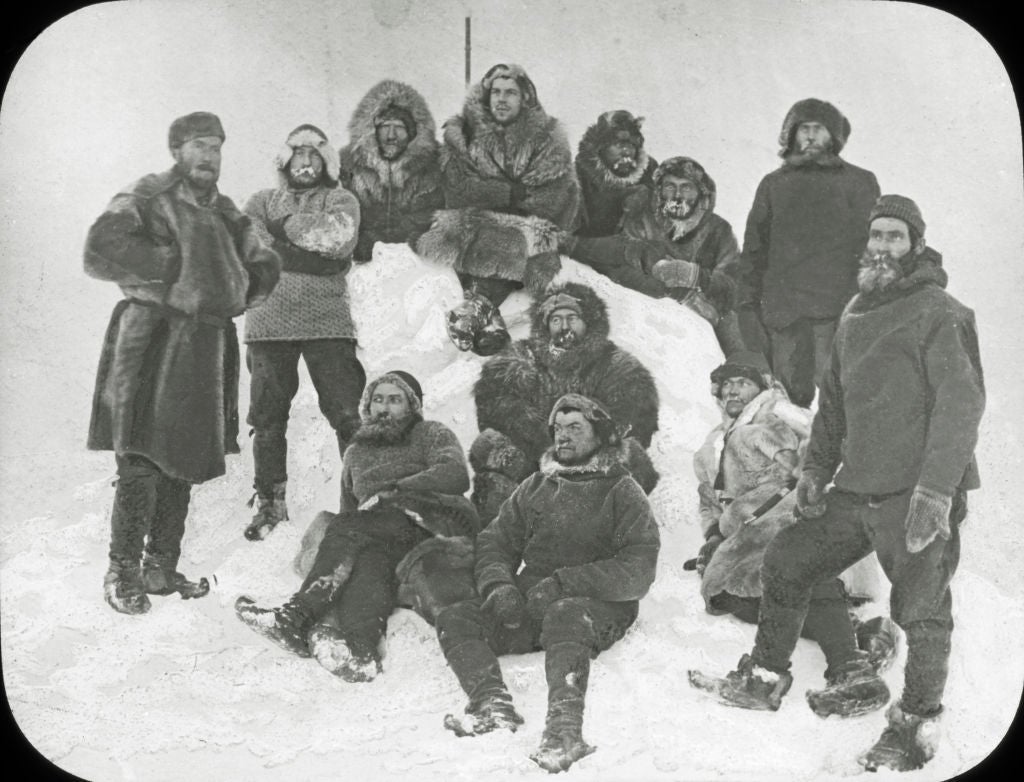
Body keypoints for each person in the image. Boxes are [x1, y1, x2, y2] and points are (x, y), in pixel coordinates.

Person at [689, 196, 985, 773]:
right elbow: (833, 408)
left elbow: (961, 405)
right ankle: (765, 677)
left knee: (921, 610)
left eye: (895, 236)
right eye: (876, 235)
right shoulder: (855, 313)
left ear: (917, 245)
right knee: (788, 560)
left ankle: (915, 725)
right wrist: (817, 472)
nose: (883, 246)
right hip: (858, 488)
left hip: (915, 494)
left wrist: (936, 492)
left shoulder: (941, 311)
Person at [85, 111, 280, 614]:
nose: (209, 155)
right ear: (177, 150)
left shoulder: (228, 213)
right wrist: (172, 268)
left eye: (216, 146)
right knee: (142, 456)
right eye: (199, 145)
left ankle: (160, 567)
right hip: (152, 338)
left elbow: (264, 263)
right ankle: (122, 572)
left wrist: (235, 288)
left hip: (205, 345)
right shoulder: (149, 195)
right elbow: (101, 247)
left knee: (185, 457)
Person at [434, 394, 660, 773]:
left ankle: (564, 732)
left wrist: (563, 583)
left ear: (600, 435)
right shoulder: (537, 484)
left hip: (598, 605)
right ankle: (493, 705)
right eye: (558, 428)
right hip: (536, 598)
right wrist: (499, 586)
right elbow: (495, 541)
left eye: (575, 428)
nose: (563, 436)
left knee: (565, 614)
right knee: (456, 617)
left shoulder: (622, 490)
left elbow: (638, 567)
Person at [235, 371, 479, 682]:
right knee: (366, 561)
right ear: (368, 406)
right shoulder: (356, 452)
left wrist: (396, 490)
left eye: (395, 400)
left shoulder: (431, 433)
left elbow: (455, 474)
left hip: (430, 522)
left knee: (353, 528)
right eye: (378, 400)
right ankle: (362, 652)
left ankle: (296, 616)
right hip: (382, 534)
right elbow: (349, 514)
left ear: (412, 405)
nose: (384, 408)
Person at [690, 351, 897, 713]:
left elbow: (822, 444)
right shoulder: (712, 444)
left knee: (799, 566)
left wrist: (794, 467)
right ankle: (859, 634)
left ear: (761, 387)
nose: (733, 390)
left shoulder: (780, 411)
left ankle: (849, 668)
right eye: (726, 384)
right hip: (744, 534)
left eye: (743, 382)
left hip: (788, 511)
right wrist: (713, 537)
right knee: (731, 596)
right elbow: (708, 496)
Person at [242, 124, 364, 540]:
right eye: (299, 154)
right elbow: (251, 249)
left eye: (314, 155)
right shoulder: (260, 201)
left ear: (326, 162)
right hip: (267, 324)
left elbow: (338, 240)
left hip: (328, 323)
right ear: (285, 160)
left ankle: (360, 500)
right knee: (268, 418)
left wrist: (283, 228)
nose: (306, 163)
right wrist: (318, 261)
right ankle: (270, 504)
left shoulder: (341, 199)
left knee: (347, 414)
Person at [470, 282, 659, 523]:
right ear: (545, 325)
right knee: (490, 447)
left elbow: (636, 422)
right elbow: (493, 407)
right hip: (533, 465)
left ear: (588, 322)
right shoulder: (520, 359)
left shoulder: (616, 366)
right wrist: (542, 443)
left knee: (631, 459)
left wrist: (582, 446)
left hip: (590, 467)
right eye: (556, 320)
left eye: (572, 318)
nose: (564, 327)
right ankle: (502, 532)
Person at [424, 63, 581, 354]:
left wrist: (502, 201)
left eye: (510, 93)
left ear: (525, 99)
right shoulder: (465, 135)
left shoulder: (548, 140)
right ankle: (487, 317)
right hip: (472, 223)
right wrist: (507, 192)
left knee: (522, 240)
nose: (501, 99)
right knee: (481, 233)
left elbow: (556, 197)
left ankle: (480, 306)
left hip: (529, 228)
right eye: (496, 92)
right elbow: (458, 189)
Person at [738, 98, 880, 405]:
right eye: (804, 128)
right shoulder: (773, 185)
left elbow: (870, 245)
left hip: (837, 312)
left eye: (819, 128)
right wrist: (747, 304)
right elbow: (754, 251)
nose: (811, 136)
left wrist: (866, 302)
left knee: (840, 400)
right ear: (791, 134)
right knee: (787, 405)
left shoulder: (859, 183)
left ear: (834, 135)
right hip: (785, 315)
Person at [564, 156, 743, 354]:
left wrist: (696, 276)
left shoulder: (719, 230)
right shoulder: (643, 219)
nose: (677, 195)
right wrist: (674, 291)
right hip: (652, 308)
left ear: (701, 192)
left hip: (710, 312)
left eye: (686, 187)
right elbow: (619, 266)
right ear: (659, 190)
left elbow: (735, 283)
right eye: (670, 186)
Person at [339, 80, 445, 262]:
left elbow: (432, 215)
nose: (391, 136)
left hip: (416, 259)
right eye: (385, 127)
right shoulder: (349, 163)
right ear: (372, 130)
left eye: (399, 128)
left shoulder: (434, 164)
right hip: (364, 259)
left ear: (413, 132)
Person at [573, 109, 657, 237]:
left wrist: (648, 196)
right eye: (618, 144)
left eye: (631, 145)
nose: (626, 151)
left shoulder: (650, 169)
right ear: (601, 148)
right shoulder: (577, 175)